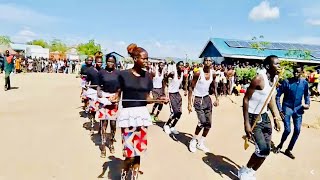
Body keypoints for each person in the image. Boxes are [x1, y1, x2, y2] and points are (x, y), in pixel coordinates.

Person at [116, 43, 167, 180]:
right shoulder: (123, 75)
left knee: (138, 150)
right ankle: (125, 170)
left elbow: (147, 99)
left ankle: (134, 176)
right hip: (127, 116)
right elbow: (117, 93)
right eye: (143, 59)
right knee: (128, 152)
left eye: (147, 59)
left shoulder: (148, 76)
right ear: (135, 59)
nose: (146, 61)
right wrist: (112, 97)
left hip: (142, 116)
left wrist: (159, 99)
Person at [238, 55, 281, 180]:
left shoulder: (276, 79)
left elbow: (271, 99)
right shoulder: (258, 79)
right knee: (261, 149)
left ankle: (251, 171)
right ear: (268, 66)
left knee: (267, 150)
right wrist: (246, 123)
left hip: (264, 116)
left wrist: (276, 118)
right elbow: (245, 99)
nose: (279, 66)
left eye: (279, 64)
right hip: (252, 117)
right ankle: (244, 170)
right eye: (276, 64)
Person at [274, 65, 310, 159]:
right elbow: (277, 96)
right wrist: (280, 109)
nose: (295, 73)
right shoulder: (287, 82)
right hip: (287, 108)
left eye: (298, 72)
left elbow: (306, 95)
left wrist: (307, 104)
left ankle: (289, 150)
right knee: (287, 130)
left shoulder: (304, 83)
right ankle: (280, 145)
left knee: (297, 130)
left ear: (302, 73)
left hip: (298, 109)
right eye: (294, 71)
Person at [188, 57, 219, 153]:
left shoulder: (213, 74)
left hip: (207, 99)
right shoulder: (198, 73)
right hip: (198, 99)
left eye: (210, 60)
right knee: (202, 122)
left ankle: (201, 142)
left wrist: (217, 98)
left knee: (208, 124)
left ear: (212, 62)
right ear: (203, 62)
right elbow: (190, 87)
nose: (208, 62)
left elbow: (214, 86)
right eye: (206, 60)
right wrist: (189, 103)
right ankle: (193, 140)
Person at [97, 54, 120, 157]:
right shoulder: (101, 72)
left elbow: (120, 87)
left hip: (114, 101)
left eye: (112, 62)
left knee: (113, 125)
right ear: (106, 62)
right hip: (104, 100)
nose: (110, 63)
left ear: (115, 63)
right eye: (109, 61)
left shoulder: (118, 73)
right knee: (103, 124)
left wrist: (116, 96)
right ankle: (103, 146)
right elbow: (98, 86)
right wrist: (99, 93)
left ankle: (111, 142)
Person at [163, 61, 186, 136]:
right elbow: (164, 81)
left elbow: (185, 82)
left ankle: (172, 126)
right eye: (180, 65)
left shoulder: (182, 74)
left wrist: (185, 90)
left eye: (183, 66)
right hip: (171, 94)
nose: (182, 67)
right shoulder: (173, 74)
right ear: (176, 66)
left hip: (177, 94)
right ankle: (166, 125)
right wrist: (166, 95)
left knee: (179, 113)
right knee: (174, 112)